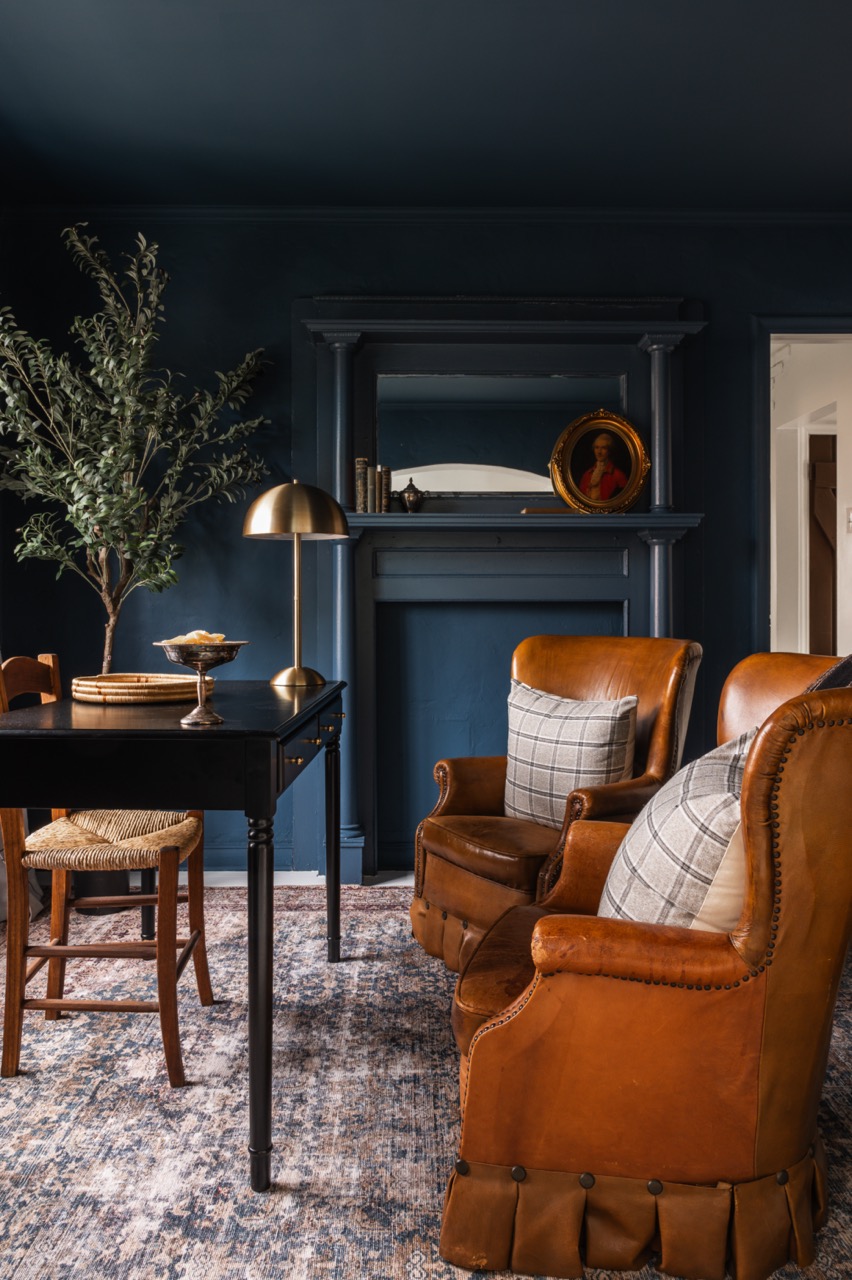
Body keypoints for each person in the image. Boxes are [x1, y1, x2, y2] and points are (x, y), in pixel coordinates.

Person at [579, 431, 628, 500]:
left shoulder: (618, 475)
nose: (599, 452)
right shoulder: (587, 474)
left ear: (609, 451)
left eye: (604, 448)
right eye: (596, 447)